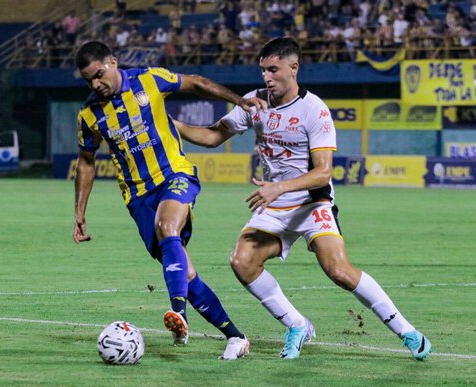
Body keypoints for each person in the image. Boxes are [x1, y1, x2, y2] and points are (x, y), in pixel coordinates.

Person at [173, 37, 432, 361]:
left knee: (338, 269)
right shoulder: (254, 102)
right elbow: (212, 135)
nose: (266, 77)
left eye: (273, 69)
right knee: (243, 261)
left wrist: (278, 187)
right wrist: (170, 125)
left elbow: (323, 172)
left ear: (293, 68)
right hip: (275, 202)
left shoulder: (315, 111)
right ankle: (297, 325)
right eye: (263, 70)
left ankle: (408, 332)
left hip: (312, 202)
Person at [72, 40, 266, 360]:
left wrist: (239, 102)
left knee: (167, 226)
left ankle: (179, 313)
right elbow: (86, 162)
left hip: (174, 175)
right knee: (185, 273)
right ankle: (235, 336)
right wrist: (79, 212)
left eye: (99, 74)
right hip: (137, 197)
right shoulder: (90, 115)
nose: (95, 83)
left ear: (113, 61)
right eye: (88, 79)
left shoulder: (148, 79)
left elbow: (197, 83)